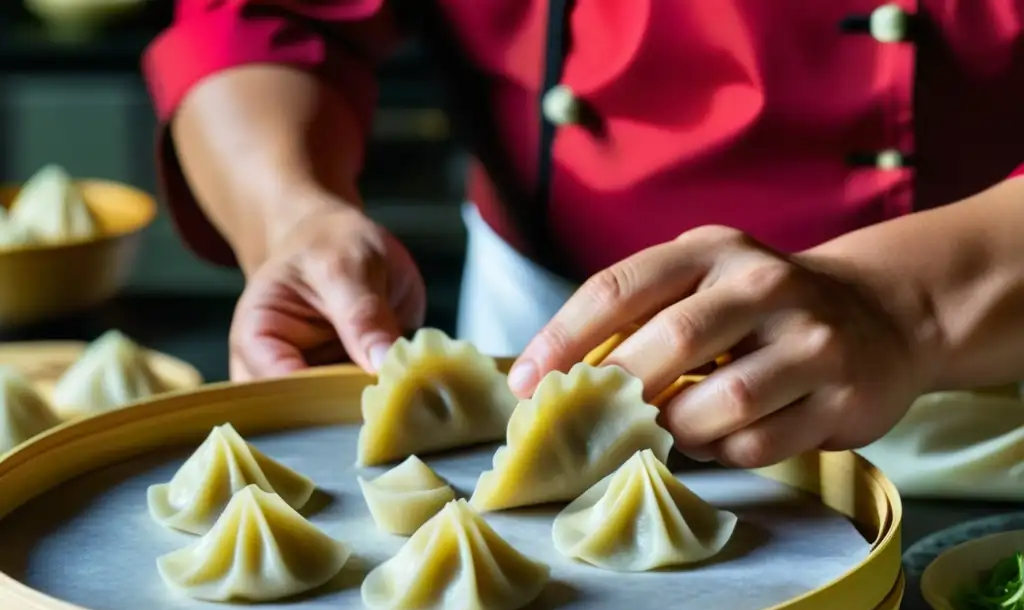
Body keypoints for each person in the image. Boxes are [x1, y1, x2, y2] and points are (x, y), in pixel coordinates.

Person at [143, 2, 1024, 469]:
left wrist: (906, 303)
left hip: (989, 390)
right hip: (526, 358)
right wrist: (293, 211)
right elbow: (271, 14)